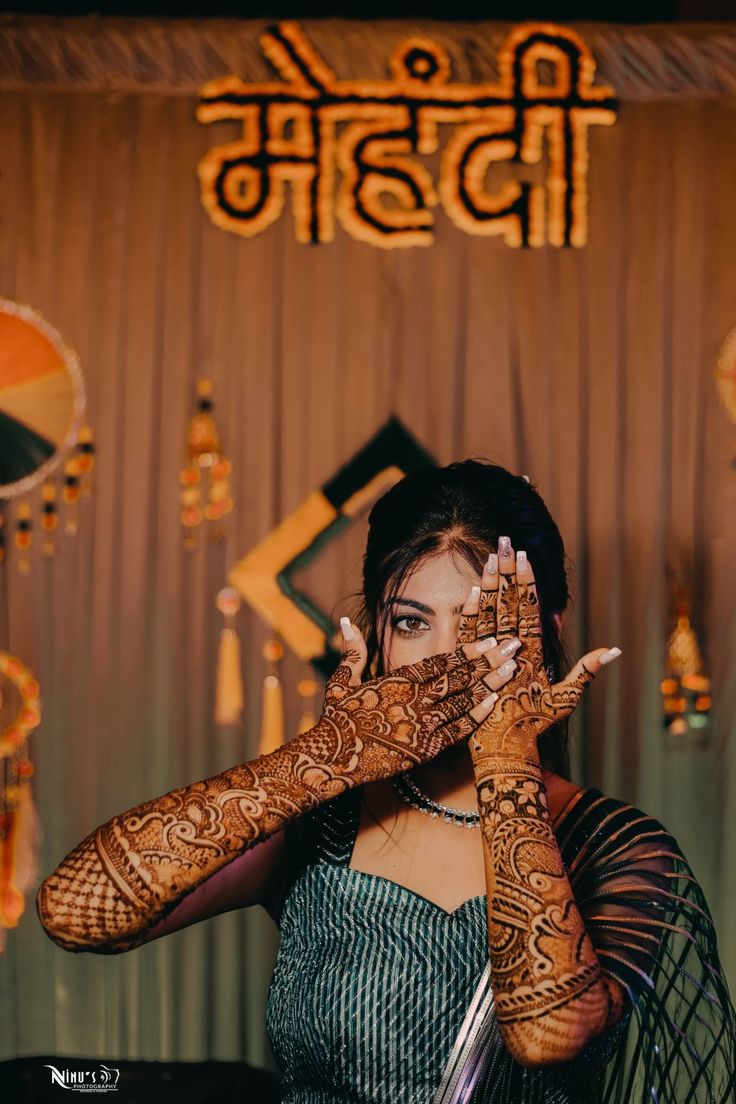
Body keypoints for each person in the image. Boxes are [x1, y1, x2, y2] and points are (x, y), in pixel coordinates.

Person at [37, 461, 735, 1103]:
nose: (440, 661)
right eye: (410, 623)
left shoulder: (615, 844)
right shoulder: (323, 820)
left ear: (545, 633)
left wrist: (505, 757)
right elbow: (73, 913)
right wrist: (326, 759)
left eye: (479, 626)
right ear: (377, 638)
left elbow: (546, 1037)